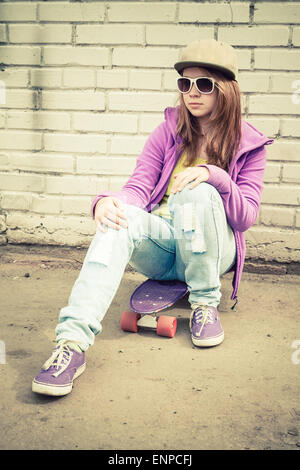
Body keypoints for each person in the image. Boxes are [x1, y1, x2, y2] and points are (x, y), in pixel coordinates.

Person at [32, 39, 274, 396]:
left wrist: (215, 176)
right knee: (118, 218)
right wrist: (106, 202)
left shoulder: (248, 144)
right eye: (185, 83)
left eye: (204, 84)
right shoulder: (169, 132)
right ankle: (71, 344)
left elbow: (245, 217)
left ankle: (205, 303)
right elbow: (139, 188)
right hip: (165, 249)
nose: (192, 93)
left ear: (226, 90)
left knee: (197, 191)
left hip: (212, 252)